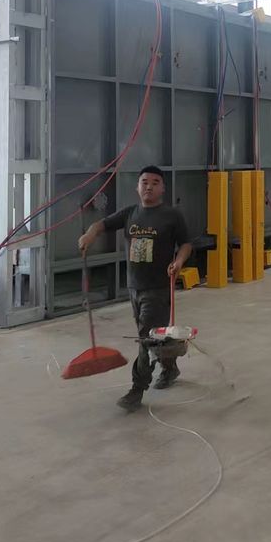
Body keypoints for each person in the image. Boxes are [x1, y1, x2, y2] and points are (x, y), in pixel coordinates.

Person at [78, 165, 192, 411]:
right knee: (153, 338)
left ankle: (137, 389)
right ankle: (170, 368)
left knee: (145, 339)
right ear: (137, 187)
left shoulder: (172, 216)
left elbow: (185, 244)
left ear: (163, 188)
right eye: (144, 182)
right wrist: (89, 235)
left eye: (155, 182)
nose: (148, 186)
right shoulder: (130, 213)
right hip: (134, 287)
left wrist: (179, 261)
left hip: (158, 288)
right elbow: (101, 225)